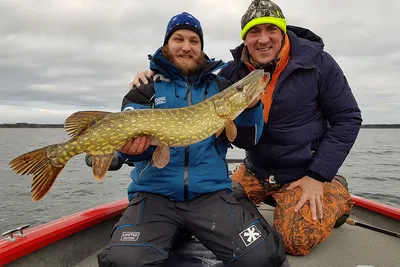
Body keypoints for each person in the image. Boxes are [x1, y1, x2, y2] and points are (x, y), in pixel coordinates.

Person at [130, 0, 363, 256]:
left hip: (304, 171)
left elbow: (348, 118)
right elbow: (192, 85)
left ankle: (336, 193)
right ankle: (277, 200)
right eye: (254, 32)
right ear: (245, 38)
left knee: (294, 241)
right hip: (256, 170)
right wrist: (153, 74)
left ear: (283, 32)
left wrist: (319, 175)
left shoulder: (319, 64)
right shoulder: (233, 73)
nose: (263, 39)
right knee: (217, 210)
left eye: (270, 29)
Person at [97, 11, 287, 267]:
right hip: (155, 196)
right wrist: (133, 151)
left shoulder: (220, 87)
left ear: (201, 48)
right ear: (167, 44)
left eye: (194, 41)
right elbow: (133, 148)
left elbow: (249, 139)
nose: (186, 47)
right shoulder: (145, 88)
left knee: (263, 259)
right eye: (179, 39)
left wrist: (251, 106)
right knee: (122, 262)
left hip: (211, 196)